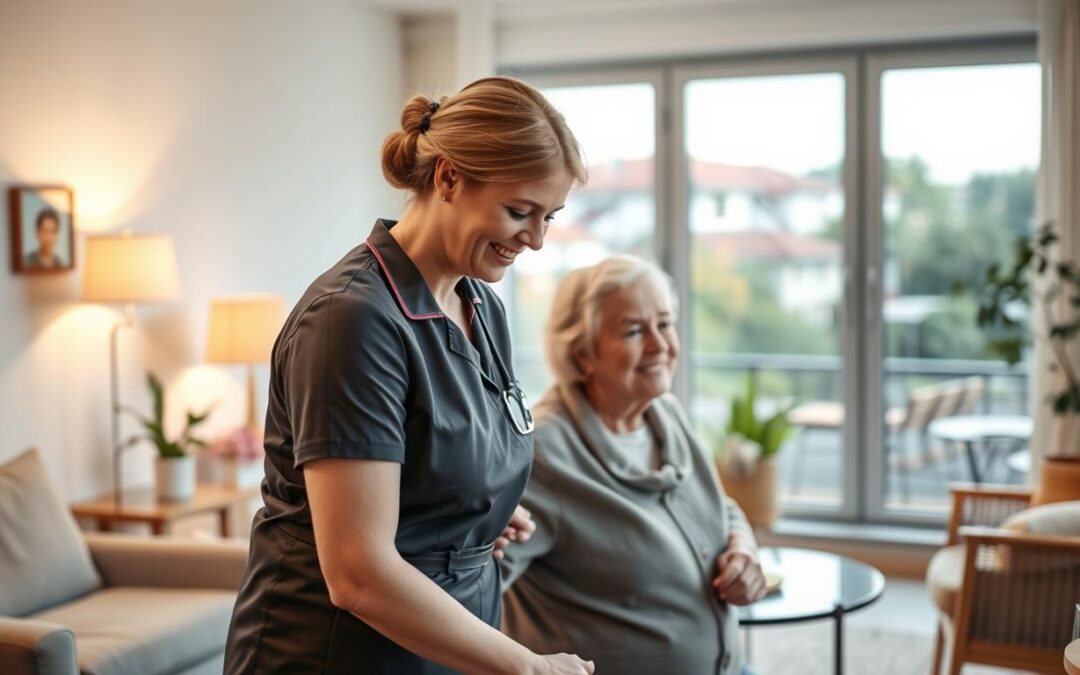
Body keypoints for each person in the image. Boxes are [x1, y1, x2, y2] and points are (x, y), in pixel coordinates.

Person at [224, 77, 594, 675]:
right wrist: (529, 666)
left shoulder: (479, 304)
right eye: (519, 211)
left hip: (450, 640)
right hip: (337, 653)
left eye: (549, 216)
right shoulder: (352, 320)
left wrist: (477, 514)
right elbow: (358, 573)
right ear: (448, 178)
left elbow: (438, 461)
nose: (537, 241)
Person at [499, 255, 767, 675]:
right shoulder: (544, 454)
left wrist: (743, 549)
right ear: (582, 352)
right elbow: (473, 581)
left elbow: (720, 507)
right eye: (634, 330)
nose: (660, 345)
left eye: (664, 323)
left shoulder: (666, 414)